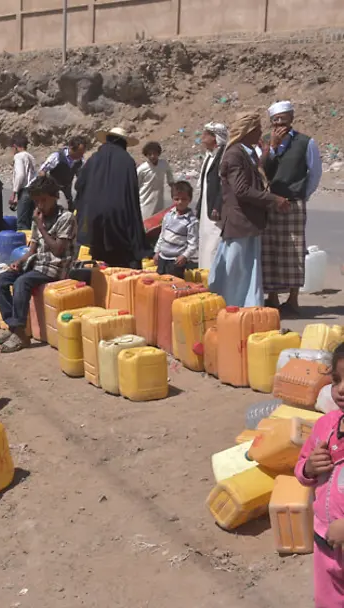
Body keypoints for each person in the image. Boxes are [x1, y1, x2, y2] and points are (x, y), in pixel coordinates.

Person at [209, 111, 289, 308]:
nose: (261, 132)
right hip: (240, 221)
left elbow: (254, 175)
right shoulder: (234, 154)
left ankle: (247, 310)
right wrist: (273, 199)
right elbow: (242, 190)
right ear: (248, 131)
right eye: (258, 129)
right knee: (234, 271)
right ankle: (228, 309)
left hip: (249, 221)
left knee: (246, 270)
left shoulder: (247, 152)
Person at [0, 176, 76, 353]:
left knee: (21, 283)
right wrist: (18, 262)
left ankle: (21, 334)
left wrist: (41, 226)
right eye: (37, 201)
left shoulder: (66, 218)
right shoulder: (38, 217)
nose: (40, 205)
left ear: (54, 197)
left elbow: (58, 250)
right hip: (37, 265)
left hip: (55, 268)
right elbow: (32, 251)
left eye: (43, 200)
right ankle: (14, 327)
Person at [294, 342, 344, 608]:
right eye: (337, 379)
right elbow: (301, 467)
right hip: (324, 541)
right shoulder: (326, 425)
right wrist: (309, 468)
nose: (341, 389)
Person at [261, 101, 323, 313]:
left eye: (284, 119)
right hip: (270, 202)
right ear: (271, 122)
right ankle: (273, 297)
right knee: (270, 249)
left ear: (291, 119)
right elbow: (264, 169)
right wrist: (273, 148)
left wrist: (302, 195)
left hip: (294, 203)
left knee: (294, 250)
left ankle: (293, 298)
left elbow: (314, 173)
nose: (280, 123)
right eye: (276, 120)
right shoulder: (266, 143)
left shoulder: (306, 142)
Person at [73, 127, 147, 268]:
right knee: (122, 257)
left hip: (93, 218)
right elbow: (131, 192)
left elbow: (79, 185)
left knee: (99, 256)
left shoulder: (93, 159)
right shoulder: (127, 160)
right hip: (118, 217)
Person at [196, 122, 228, 268]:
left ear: (215, 138)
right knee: (205, 242)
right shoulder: (209, 156)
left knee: (214, 244)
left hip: (215, 210)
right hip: (205, 209)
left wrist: (218, 205)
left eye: (206, 135)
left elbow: (225, 184)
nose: (202, 138)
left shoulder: (223, 156)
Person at [153, 181, 199, 279]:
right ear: (172, 199)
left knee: (173, 285)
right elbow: (162, 235)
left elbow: (193, 243)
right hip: (163, 257)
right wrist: (157, 251)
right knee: (159, 282)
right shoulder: (168, 215)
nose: (180, 202)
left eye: (184, 199)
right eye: (177, 199)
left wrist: (184, 256)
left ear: (190, 200)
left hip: (176, 261)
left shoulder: (191, 221)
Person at [39, 135, 88, 208]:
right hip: (53, 192)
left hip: (67, 193)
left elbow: (81, 178)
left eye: (82, 153)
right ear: (71, 148)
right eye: (79, 153)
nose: (81, 155)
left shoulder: (80, 162)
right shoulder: (57, 157)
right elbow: (42, 171)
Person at [137, 141, 175, 220]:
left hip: (159, 200)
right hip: (145, 201)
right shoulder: (142, 169)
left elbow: (170, 176)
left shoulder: (163, 164)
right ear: (146, 155)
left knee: (157, 221)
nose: (152, 156)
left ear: (158, 153)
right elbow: (136, 185)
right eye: (150, 154)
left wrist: (174, 189)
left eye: (155, 153)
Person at [10, 134, 38, 228]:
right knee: (29, 221)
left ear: (14, 146)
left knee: (22, 224)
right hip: (34, 191)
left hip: (25, 191)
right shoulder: (31, 157)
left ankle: (23, 242)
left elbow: (20, 175)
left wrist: (14, 193)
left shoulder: (19, 156)